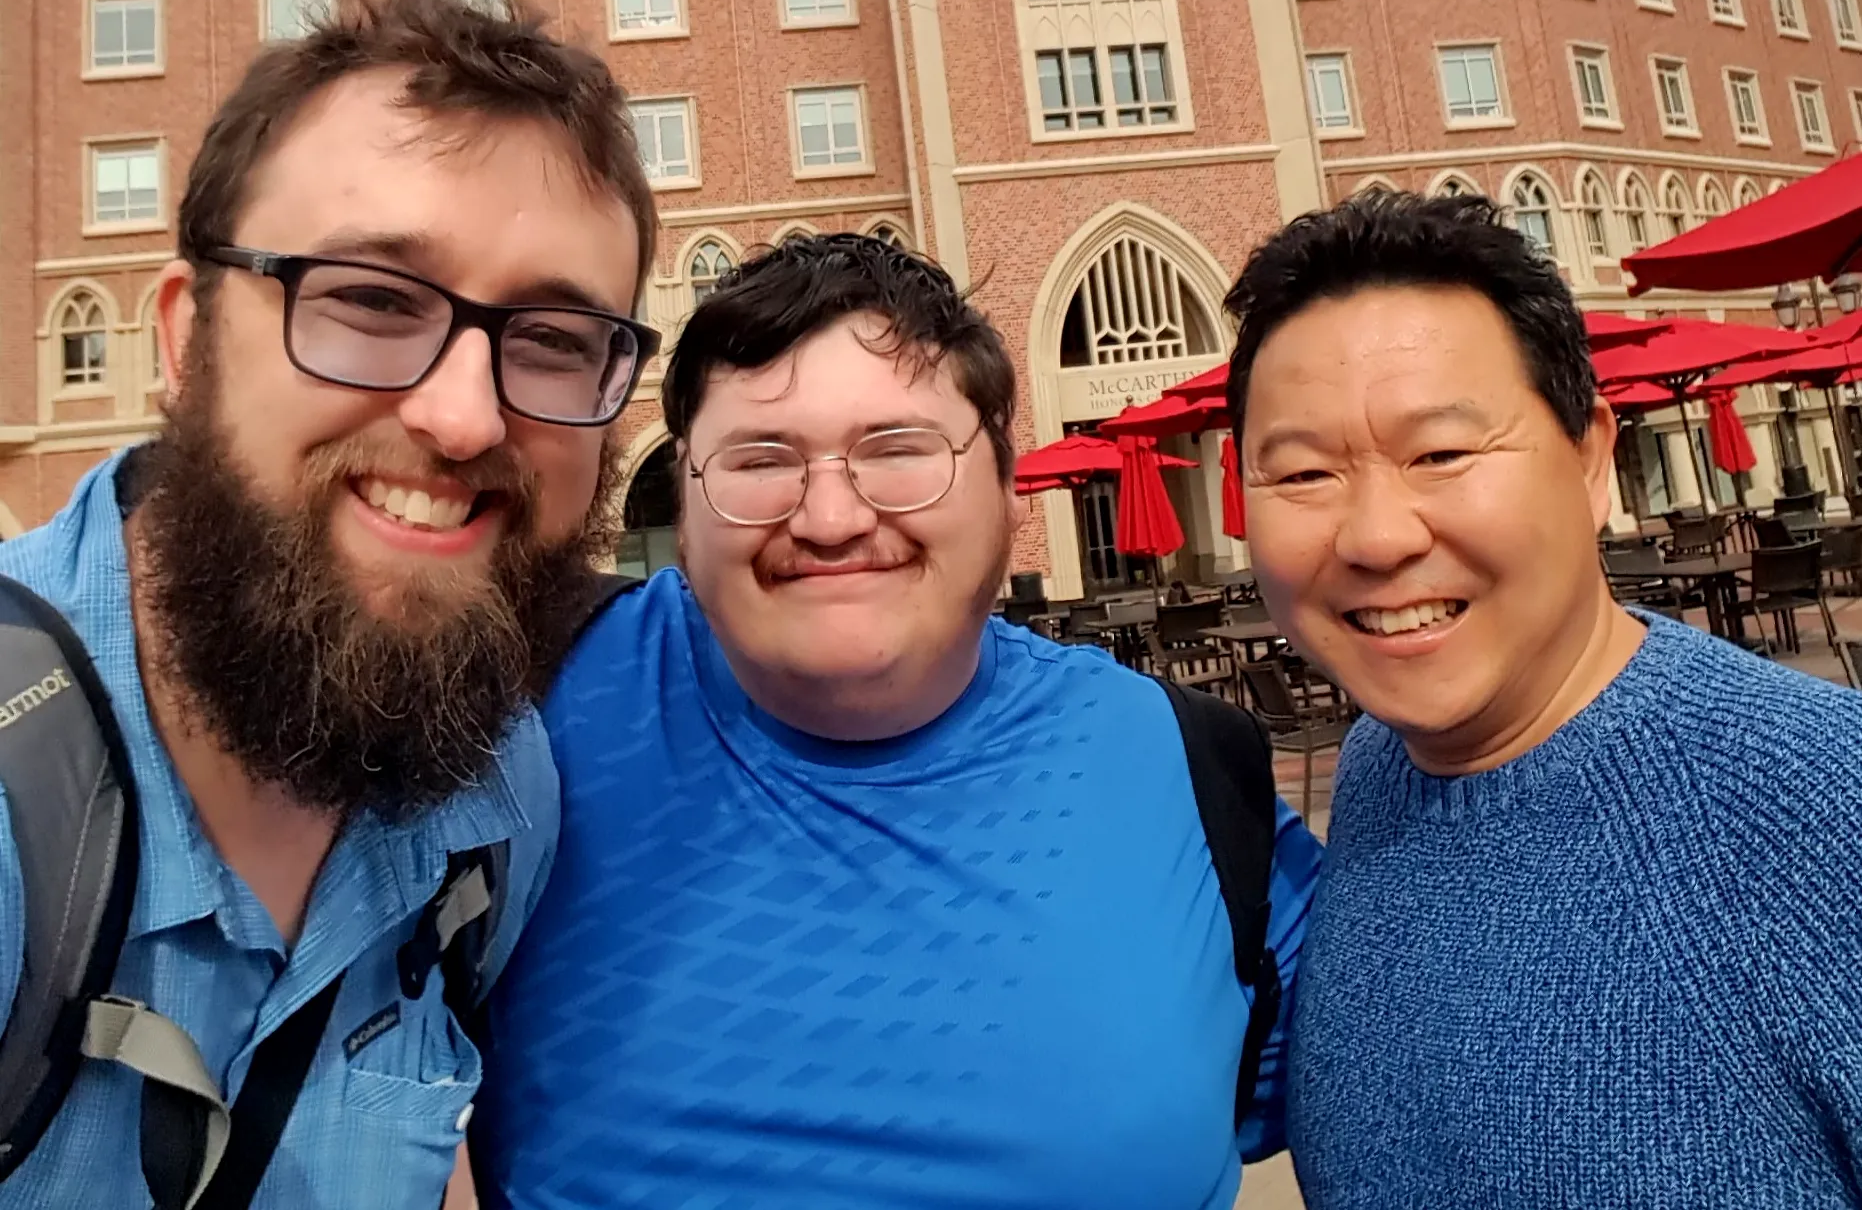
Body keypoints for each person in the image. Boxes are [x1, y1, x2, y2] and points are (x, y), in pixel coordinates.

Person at [470, 233, 1324, 1210]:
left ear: (1006, 484)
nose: (830, 516)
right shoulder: (517, 708)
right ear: (686, 500)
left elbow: (1424, 1075)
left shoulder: (1177, 763)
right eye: (759, 459)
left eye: (898, 450)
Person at [0, 0, 657, 1207]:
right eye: (366, 300)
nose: (463, 415)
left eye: (555, 337)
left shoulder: (501, 797)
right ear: (187, 336)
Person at [1224, 191, 1862, 1207]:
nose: (1374, 536)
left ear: (1589, 456)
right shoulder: (1378, 767)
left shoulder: (1823, 806)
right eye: (1301, 472)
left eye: (1440, 453)